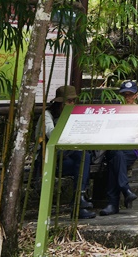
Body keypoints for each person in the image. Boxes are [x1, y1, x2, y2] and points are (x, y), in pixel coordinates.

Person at [42, 85, 95, 219]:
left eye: (73, 101)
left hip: (70, 158)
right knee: (82, 158)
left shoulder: (75, 113)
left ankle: (79, 200)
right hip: (52, 158)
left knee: (83, 158)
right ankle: (80, 200)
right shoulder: (48, 115)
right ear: (60, 102)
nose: (71, 104)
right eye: (68, 101)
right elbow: (51, 134)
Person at [97, 79, 138, 215]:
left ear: (136, 95)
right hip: (115, 146)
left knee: (117, 158)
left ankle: (113, 203)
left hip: (130, 149)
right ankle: (125, 189)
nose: (128, 97)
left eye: (130, 94)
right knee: (117, 155)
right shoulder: (115, 109)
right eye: (125, 94)